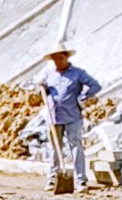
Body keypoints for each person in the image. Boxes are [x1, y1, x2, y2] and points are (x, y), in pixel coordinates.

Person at [38, 42, 102, 191]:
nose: (57, 61)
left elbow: (95, 85)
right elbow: (42, 94)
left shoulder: (78, 73)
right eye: (55, 59)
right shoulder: (48, 75)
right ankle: (52, 180)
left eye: (60, 58)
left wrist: (83, 97)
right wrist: (41, 88)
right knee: (55, 149)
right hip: (54, 117)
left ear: (66, 57)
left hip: (73, 116)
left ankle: (80, 181)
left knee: (75, 147)